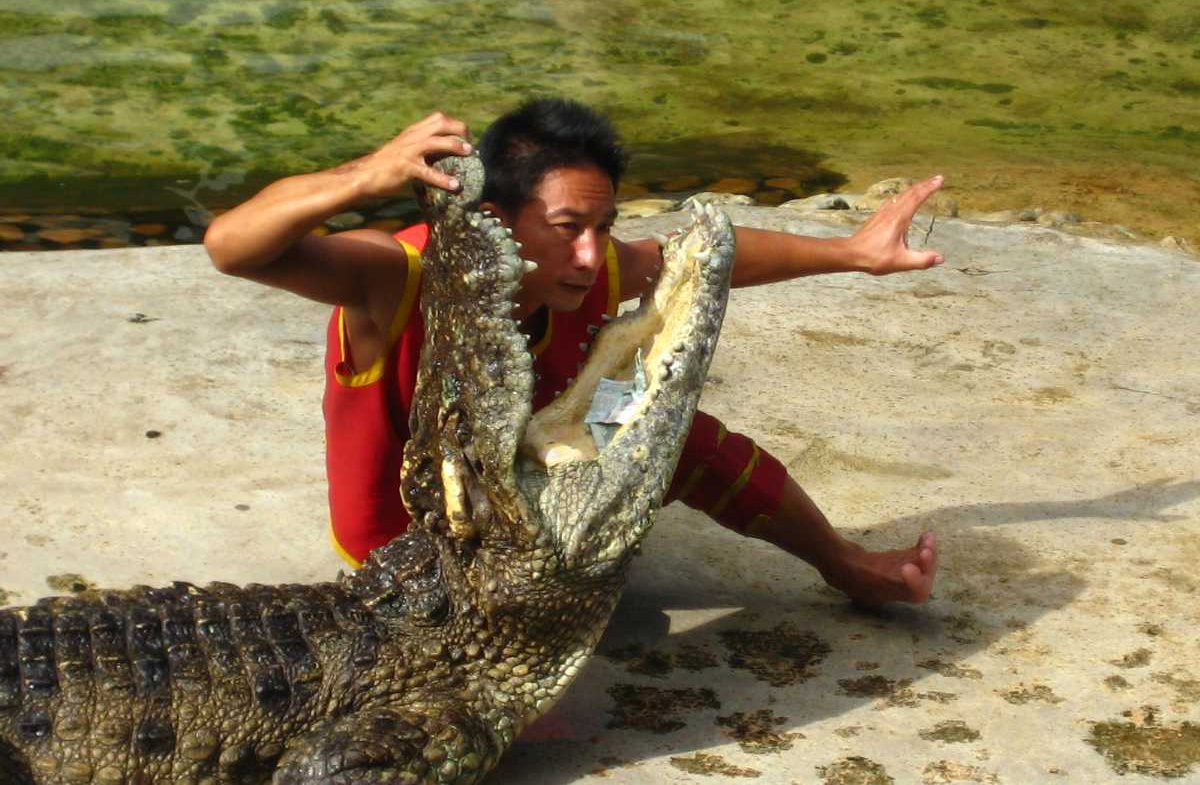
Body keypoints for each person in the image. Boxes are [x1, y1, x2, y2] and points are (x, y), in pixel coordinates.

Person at [204, 98, 942, 607]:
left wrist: (852, 252)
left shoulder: (587, 265)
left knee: (664, 425)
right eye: (565, 227)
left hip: (524, 500)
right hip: (410, 556)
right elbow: (230, 246)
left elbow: (705, 258)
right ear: (494, 218)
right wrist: (365, 176)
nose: (591, 257)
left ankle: (840, 562)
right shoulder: (399, 276)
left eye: (604, 226)